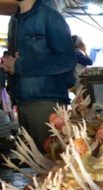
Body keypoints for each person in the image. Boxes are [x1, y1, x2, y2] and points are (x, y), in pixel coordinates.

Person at [1, 0, 75, 150]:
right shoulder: (14, 20)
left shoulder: (50, 17)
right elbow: (18, 56)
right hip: (22, 100)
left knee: (51, 160)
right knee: (36, 162)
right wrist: (8, 63)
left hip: (46, 100)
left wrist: (19, 65)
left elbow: (66, 60)